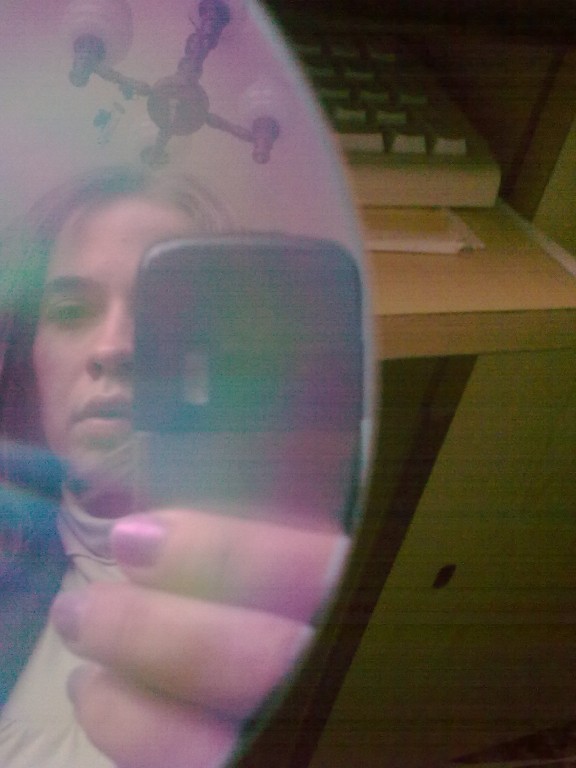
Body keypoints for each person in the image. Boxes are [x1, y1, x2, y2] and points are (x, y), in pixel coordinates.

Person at [0, 165, 351, 768]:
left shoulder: (291, 580)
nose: (114, 346)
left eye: (166, 313)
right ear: (29, 355)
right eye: (72, 311)